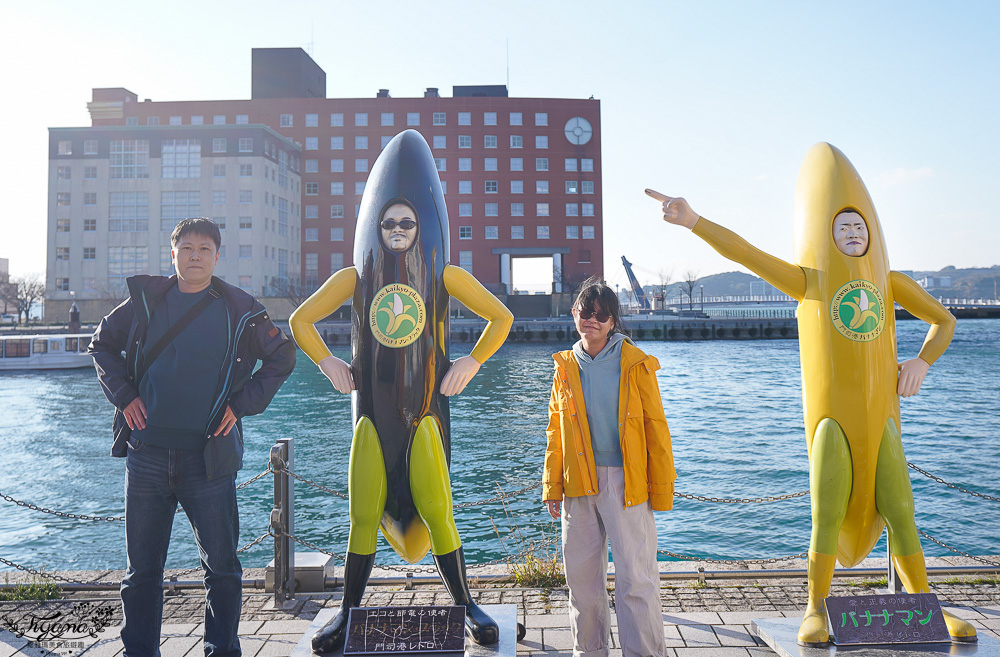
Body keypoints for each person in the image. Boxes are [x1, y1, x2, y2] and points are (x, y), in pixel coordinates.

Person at [647, 141, 975, 646]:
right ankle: (815, 607)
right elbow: (746, 254)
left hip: (883, 419)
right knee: (826, 513)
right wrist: (695, 221)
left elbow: (944, 320)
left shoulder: (890, 282)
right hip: (832, 421)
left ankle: (924, 603)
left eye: (859, 226)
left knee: (901, 510)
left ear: (873, 232)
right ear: (826, 234)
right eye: (842, 227)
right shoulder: (810, 281)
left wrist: (921, 362)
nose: (852, 232)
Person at [289, 130, 513, 652]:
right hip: (371, 416)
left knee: (438, 510)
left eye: (406, 223)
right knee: (363, 516)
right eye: (388, 223)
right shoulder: (354, 278)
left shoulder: (445, 275)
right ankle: (348, 613)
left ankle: (466, 606)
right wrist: (327, 363)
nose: (396, 230)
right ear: (375, 226)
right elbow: (301, 321)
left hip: (424, 412)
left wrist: (471, 362)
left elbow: (500, 318)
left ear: (422, 226)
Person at [90, 217, 296, 657]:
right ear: (173, 254)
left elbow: (283, 356)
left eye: (204, 249)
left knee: (222, 569)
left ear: (217, 257)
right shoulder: (145, 301)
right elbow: (101, 344)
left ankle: (222, 651)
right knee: (141, 572)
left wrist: (241, 404)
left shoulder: (240, 308)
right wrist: (124, 396)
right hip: (146, 455)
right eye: (187, 248)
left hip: (209, 459)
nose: (195, 256)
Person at [543, 277, 675, 657]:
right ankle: (589, 652)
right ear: (574, 313)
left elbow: (656, 427)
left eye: (602, 315)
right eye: (587, 312)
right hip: (576, 483)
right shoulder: (564, 366)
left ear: (614, 321)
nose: (593, 320)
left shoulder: (635, 363)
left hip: (625, 481)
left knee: (636, 579)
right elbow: (555, 430)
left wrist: (660, 487)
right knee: (582, 583)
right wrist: (552, 485)